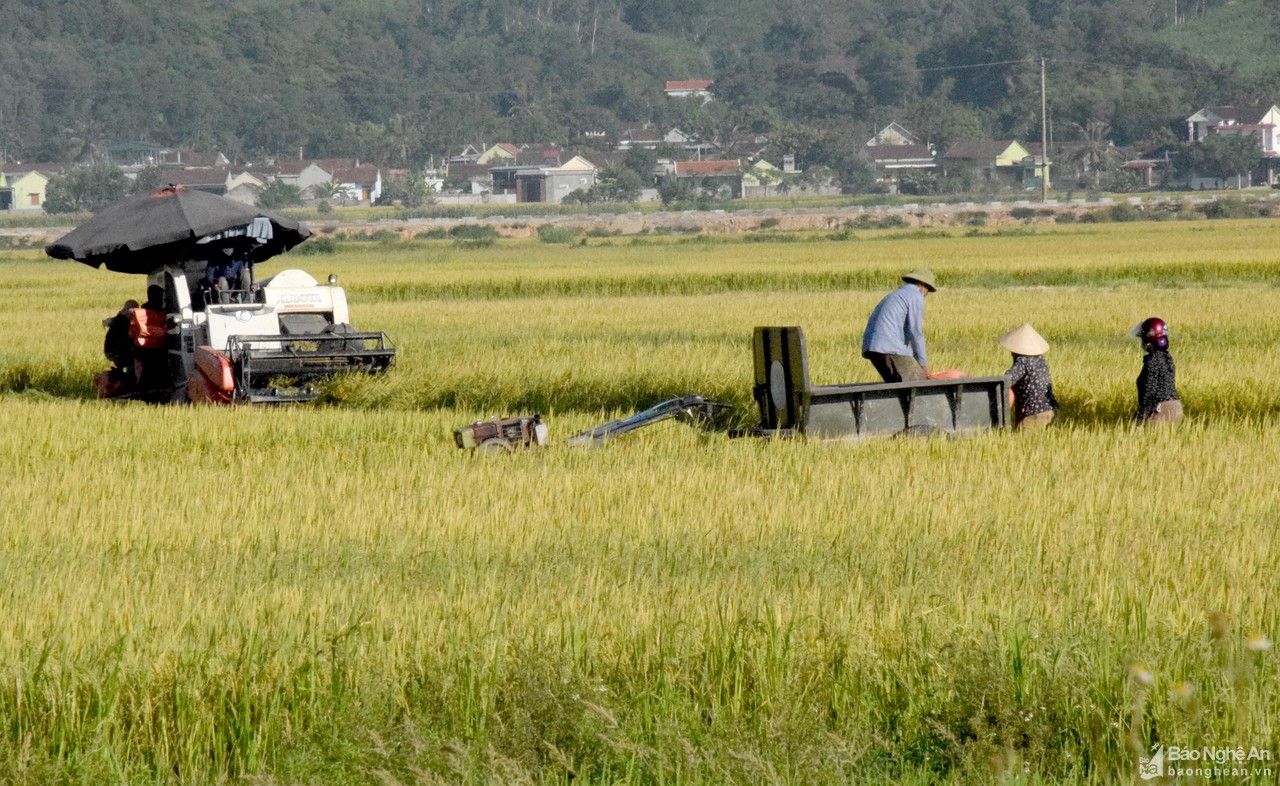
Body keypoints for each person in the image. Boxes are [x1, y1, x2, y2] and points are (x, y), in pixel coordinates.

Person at [861, 269, 936, 382]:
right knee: (920, 385)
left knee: (897, 387)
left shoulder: (896, 294)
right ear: (922, 284)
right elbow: (916, 333)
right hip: (889, 348)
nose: (926, 294)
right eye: (928, 290)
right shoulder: (915, 295)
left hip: (871, 348)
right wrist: (923, 365)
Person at [998, 323, 1058, 429]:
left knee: (1022, 441)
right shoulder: (1041, 360)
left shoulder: (1023, 361)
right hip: (1049, 410)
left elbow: (1008, 381)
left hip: (1034, 413)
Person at [1133, 316, 1181, 425]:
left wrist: (1140, 417)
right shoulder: (1168, 359)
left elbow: (1151, 390)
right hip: (1176, 408)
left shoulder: (1153, 361)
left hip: (1161, 412)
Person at [102, 299, 140, 384]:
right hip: (117, 352)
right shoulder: (126, 321)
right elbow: (128, 339)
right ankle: (131, 381)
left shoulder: (118, 317)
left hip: (109, 351)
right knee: (135, 358)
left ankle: (121, 377)